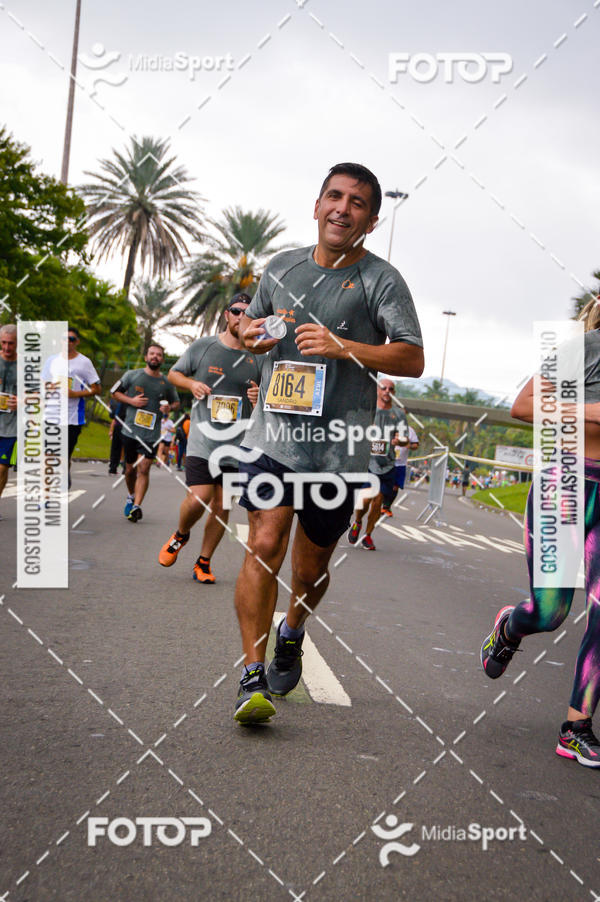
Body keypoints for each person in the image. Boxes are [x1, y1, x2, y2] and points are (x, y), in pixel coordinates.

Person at [232, 162, 424, 723]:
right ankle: (251, 676)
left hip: (340, 449)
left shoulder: (381, 280)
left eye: (357, 202)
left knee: (309, 570)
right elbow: (255, 330)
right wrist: (252, 334)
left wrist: (345, 347)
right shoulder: (281, 267)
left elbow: (412, 357)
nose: (342, 208)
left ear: (371, 218)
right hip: (276, 438)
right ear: (316, 206)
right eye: (334, 197)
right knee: (263, 544)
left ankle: (292, 630)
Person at [481, 298, 600, 768]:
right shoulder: (585, 348)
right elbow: (523, 406)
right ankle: (511, 626)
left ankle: (576, 728)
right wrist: (592, 412)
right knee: (550, 612)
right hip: (565, 482)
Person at [158, 295, 260, 583]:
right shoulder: (204, 347)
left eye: (248, 313)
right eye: (237, 311)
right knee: (200, 497)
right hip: (204, 438)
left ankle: (204, 562)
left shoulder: (259, 356)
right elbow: (174, 373)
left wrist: (259, 397)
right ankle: (181, 534)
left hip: (238, 445)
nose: (242, 317)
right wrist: (191, 383)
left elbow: (271, 395)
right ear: (227, 315)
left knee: (222, 504)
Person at [111, 344, 179, 523]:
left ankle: (137, 506)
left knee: (145, 468)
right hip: (131, 431)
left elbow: (176, 403)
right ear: (146, 357)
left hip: (152, 434)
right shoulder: (132, 376)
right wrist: (131, 400)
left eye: (158, 355)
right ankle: (131, 495)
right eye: (152, 354)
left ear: (162, 360)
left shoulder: (166, 383)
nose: (155, 357)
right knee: (129, 469)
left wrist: (168, 407)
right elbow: (114, 392)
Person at [347, 378, 405, 549]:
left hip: (386, 465)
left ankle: (368, 535)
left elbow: (404, 438)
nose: (387, 391)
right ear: (378, 390)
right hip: (367, 463)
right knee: (364, 500)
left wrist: (399, 441)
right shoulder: (367, 409)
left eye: (391, 389)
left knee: (378, 501)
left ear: (394, 393)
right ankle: (357, 522)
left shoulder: (399, 414)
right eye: (383, 388)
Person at [41, 327, 101, 487]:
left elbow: (97, 389)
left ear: (77, 342)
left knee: (62, 457)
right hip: (51, 415)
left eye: (71, 339)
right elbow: (43, 383)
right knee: (48, 455)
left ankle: (64, 469)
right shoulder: (51, 360)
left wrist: (75, 394)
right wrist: (49, 387)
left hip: (72, 417)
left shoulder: (84, 362)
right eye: (64, 338)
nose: (67, 341)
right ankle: (45, 496)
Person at [0, 324, 18, 515]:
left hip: (11, 426)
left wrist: (21, 401)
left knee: (2, 468)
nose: (6, 347)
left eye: (10, 344)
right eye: (3, 343)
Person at [108, 397, 126, 475]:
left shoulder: (118, 401)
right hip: (126, 426)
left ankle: (113, 468)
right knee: (126, 448)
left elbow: (113, 416)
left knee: (116, 447)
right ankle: (125, 468)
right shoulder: (128, 400)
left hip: (118, 425)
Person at [157, 400, 176, 465]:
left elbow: (174, 430)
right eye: (164, 414)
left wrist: (168, 430)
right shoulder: (161, 420)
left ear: (168, 416)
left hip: (168, 438)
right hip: (162, 437)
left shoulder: (170, 422)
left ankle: (167, 461)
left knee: (166, 451)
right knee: (160, 449)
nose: (165, 415)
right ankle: (159, 461)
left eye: (166, 415)